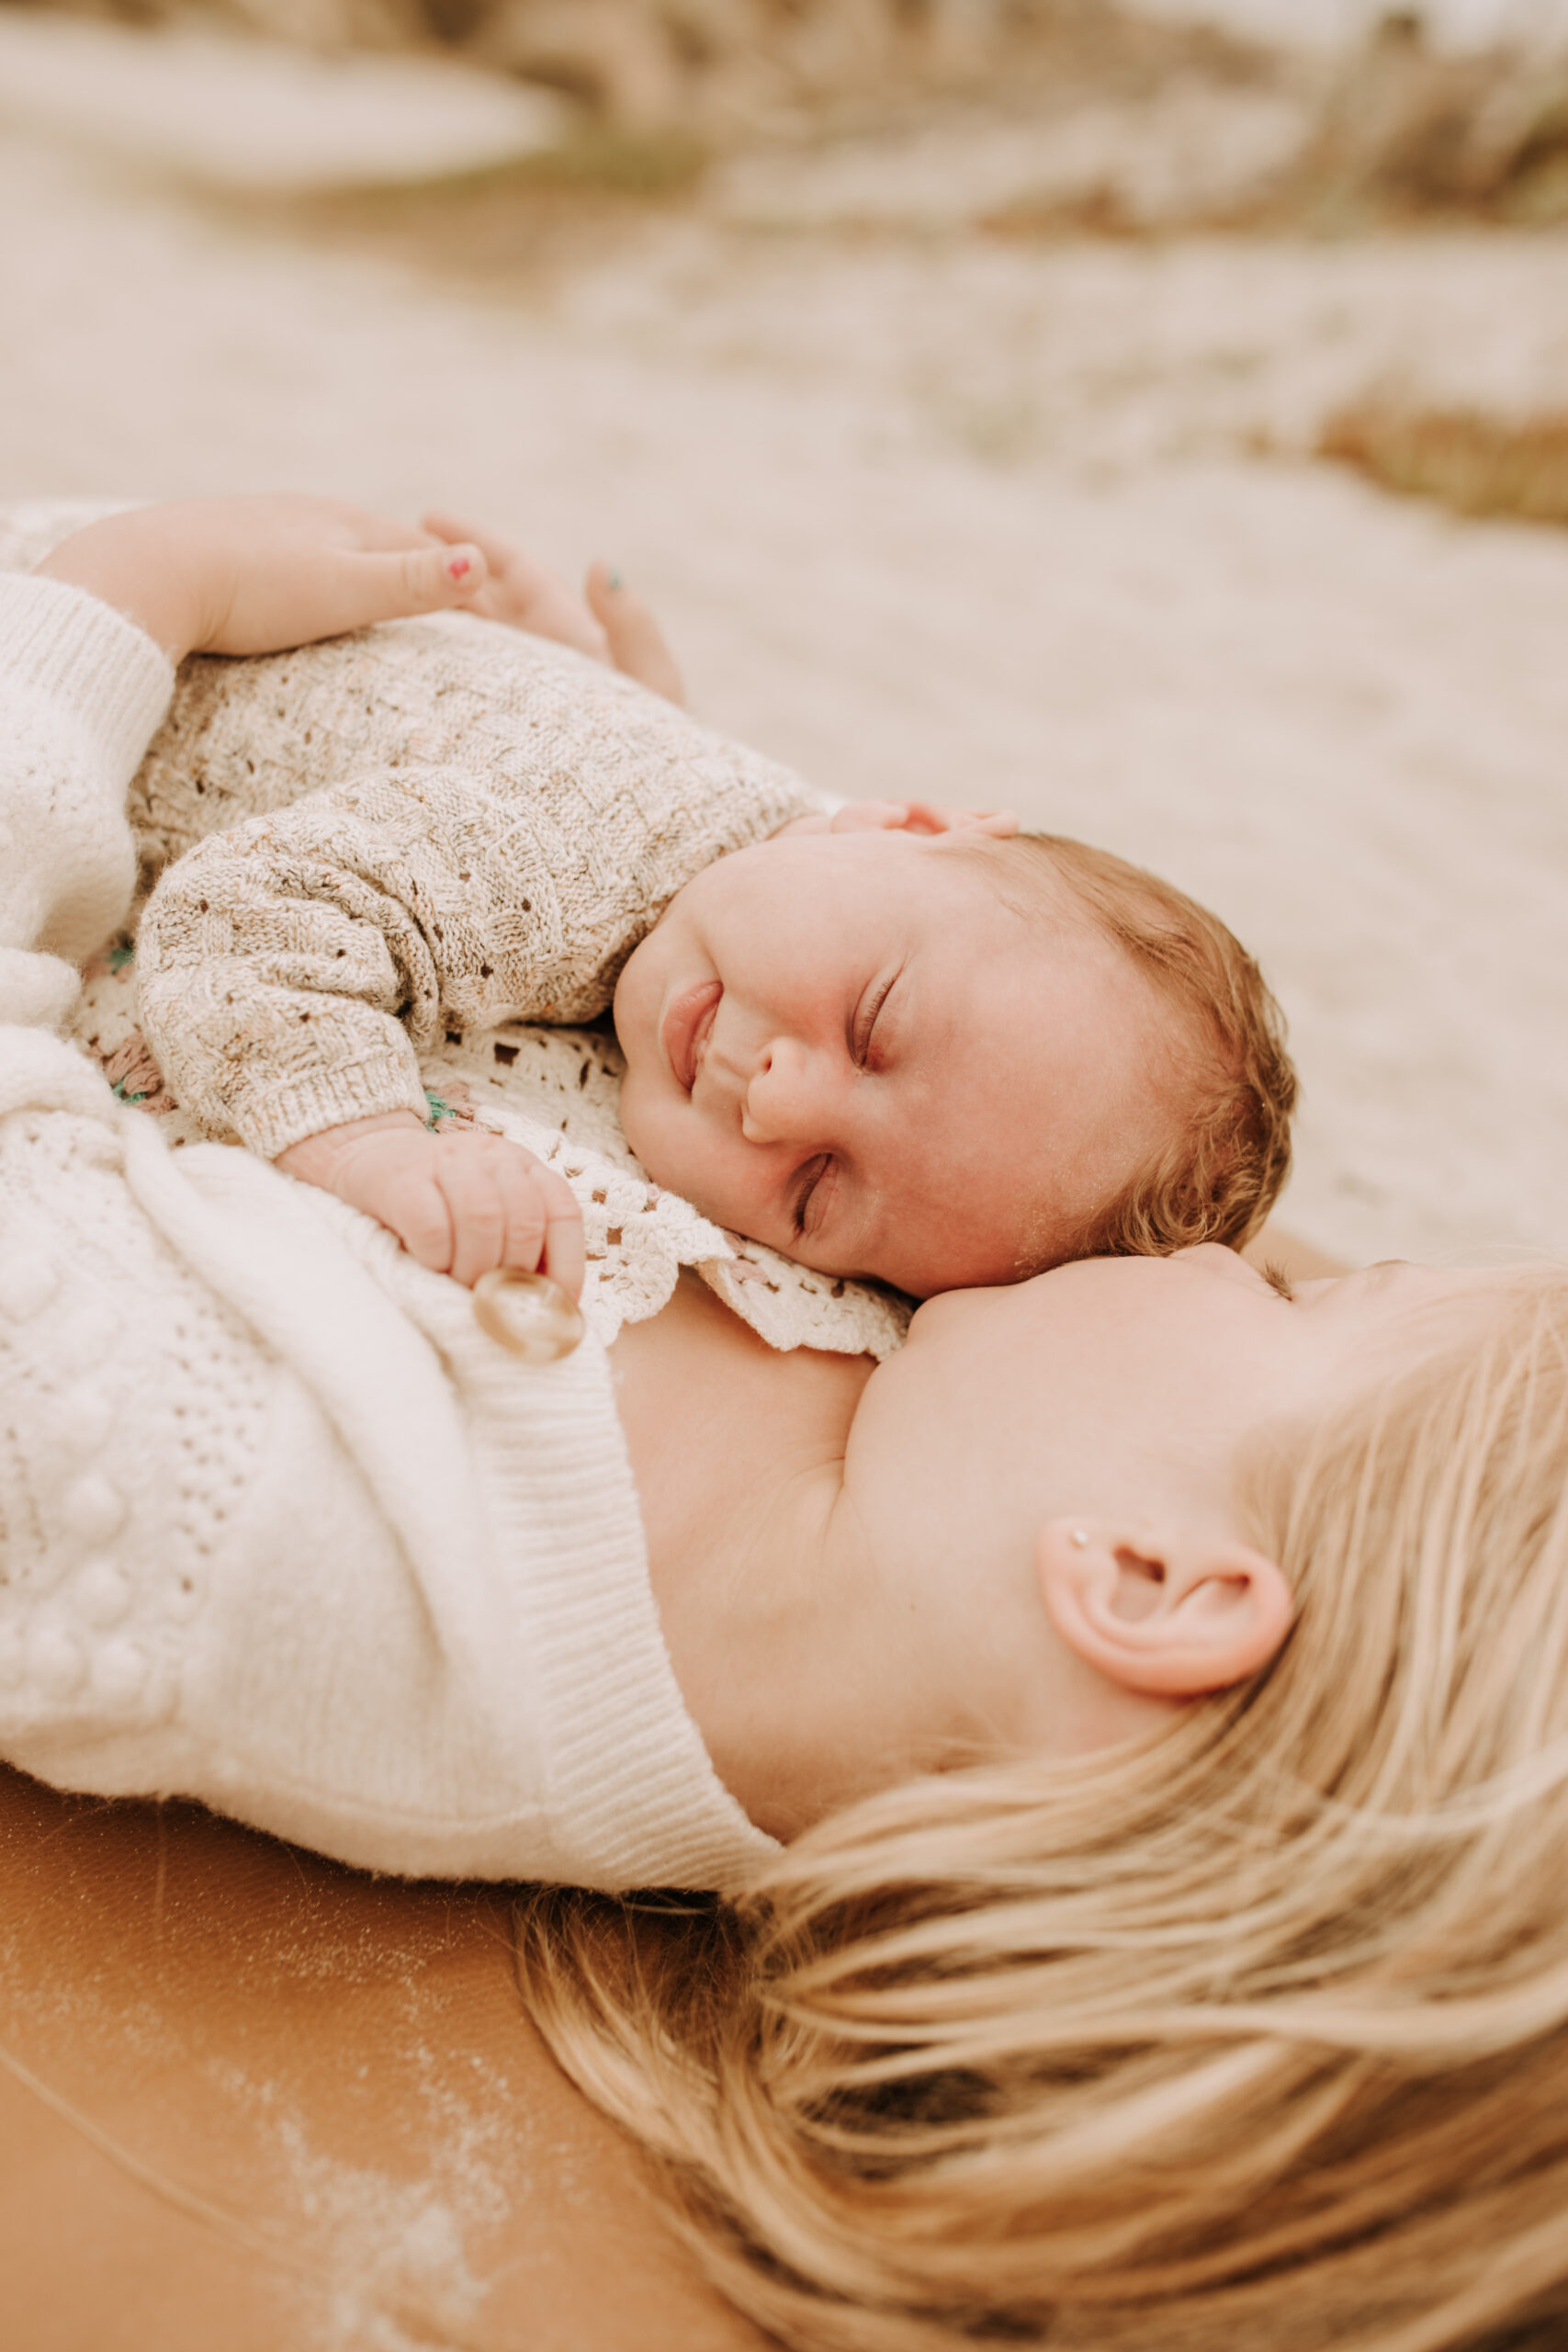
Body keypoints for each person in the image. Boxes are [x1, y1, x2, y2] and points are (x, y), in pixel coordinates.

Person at [6, 498, 1562, 2348]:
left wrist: (111, 609)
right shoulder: (910, 1416)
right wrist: (614, 829)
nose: (1227, 1265)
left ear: (1145, 1576)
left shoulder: (267, 1539)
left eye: (1313, 1299)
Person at [60, 499, 1298, 1304]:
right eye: (872, 1025)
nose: (776, 1098)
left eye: (816, 1192)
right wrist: (362, 1134)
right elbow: (245, 913)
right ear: (910, 823)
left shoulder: (794, 858)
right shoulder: (562, 863)